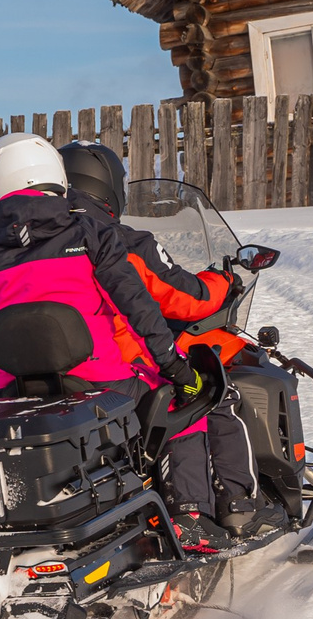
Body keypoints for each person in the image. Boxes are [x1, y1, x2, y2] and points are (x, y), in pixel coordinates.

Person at [0, 132, 213, 542]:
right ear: (55, 176)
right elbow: (139, 310)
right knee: (186, 413)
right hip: (104, 386)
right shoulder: (91, 236)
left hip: (12, 394)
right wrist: (175, 369)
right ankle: (190, 519)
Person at [57, 141, 253, 551]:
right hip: (115, 367)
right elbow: (187, 296)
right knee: (206, 395)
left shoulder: (26, 243)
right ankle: (210, 512)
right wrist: (227, 281)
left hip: (39, 378)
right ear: (107, 185)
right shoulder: (120, 240)